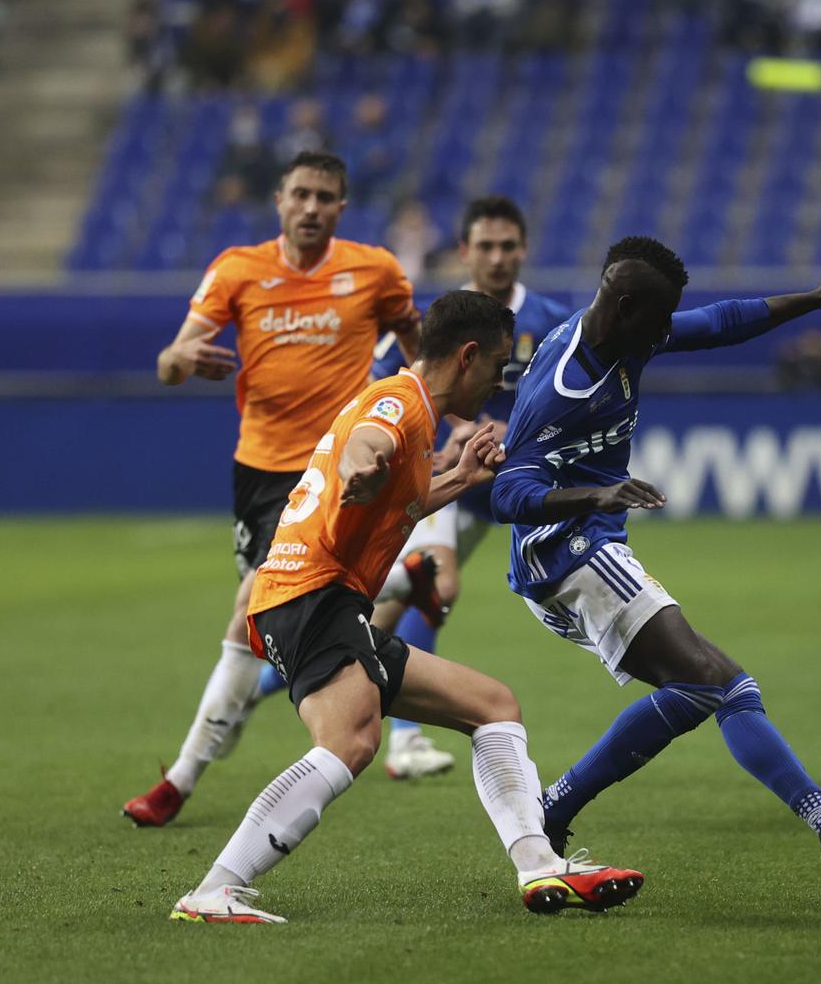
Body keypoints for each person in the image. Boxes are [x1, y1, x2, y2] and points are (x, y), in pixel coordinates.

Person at [168, 291, 644, 924]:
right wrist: (361, 468)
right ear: (467, 356)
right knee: (352, 740)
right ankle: (214, 891)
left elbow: (403, 504)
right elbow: (370, 440)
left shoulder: (416, 411)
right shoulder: (400, 403)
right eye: (499, 366)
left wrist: (460, 479)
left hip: (312, 597)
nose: (500, 381)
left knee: (492, 706)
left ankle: (538, 864)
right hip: (311, 595)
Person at [490, 237, 821, 871]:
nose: (668, 329)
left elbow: (719, 324)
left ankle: (552, 812)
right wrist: (600, 493)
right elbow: (508, 490)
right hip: (568, 555)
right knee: (723, 683)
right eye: (661, 316)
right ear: (626, 305)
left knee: (701, 690)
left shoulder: (625, 332)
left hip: (581, 550)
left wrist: (816, 298)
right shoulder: (565, 386)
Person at [122, 151, 422, 828]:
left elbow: (417, 344)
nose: (312, 207)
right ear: (279, 200)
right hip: (261, 473)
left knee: (246, 609)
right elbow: (170, 359)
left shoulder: (375, 270)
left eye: (326, 197)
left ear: (342, 207)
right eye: (301, 194)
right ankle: (405, 583)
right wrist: (181, 361)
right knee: (272, 624)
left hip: (338, 466)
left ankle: (178, 779)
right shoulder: (238, 270)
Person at [340, 196, 573, 781]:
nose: (497, 258)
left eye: (507, 246)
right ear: (465, 251)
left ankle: (282, 673)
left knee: (387, 613)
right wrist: (441, 433)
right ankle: (408, 739)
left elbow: (569, 407)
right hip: (441, 476)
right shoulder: (434, 322)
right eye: (485, 247)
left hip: (511, 484)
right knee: (437, 587)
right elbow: (387, 390)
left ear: (523, 250)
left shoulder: (550, 321)